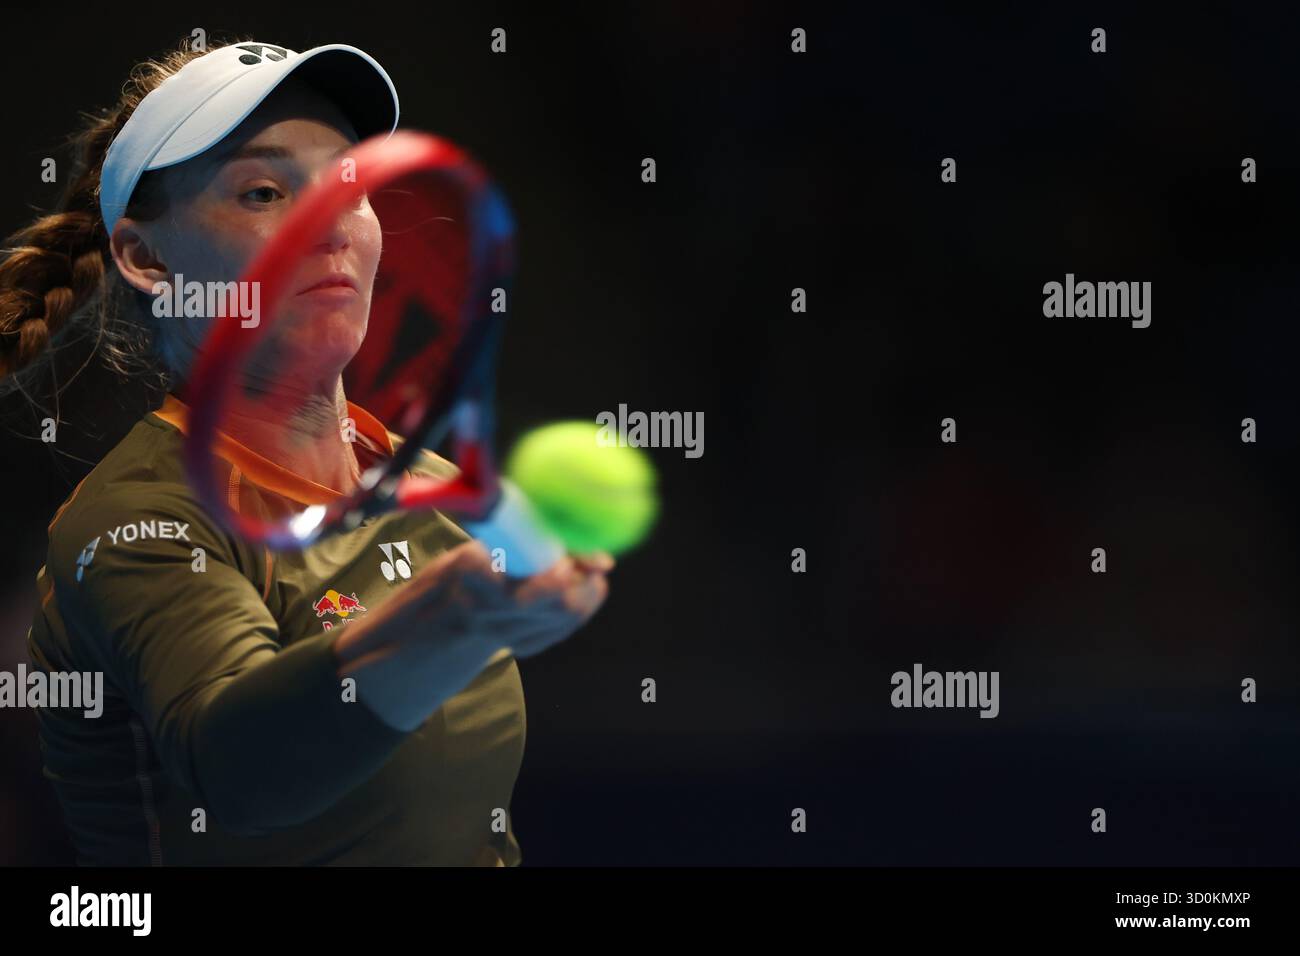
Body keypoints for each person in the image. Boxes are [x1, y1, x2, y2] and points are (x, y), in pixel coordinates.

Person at [0, 37, 611, 865]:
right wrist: (443, 623)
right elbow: (241, 771)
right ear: (148, 259)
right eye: (264, 191)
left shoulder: (437, 488)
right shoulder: (130, 523)